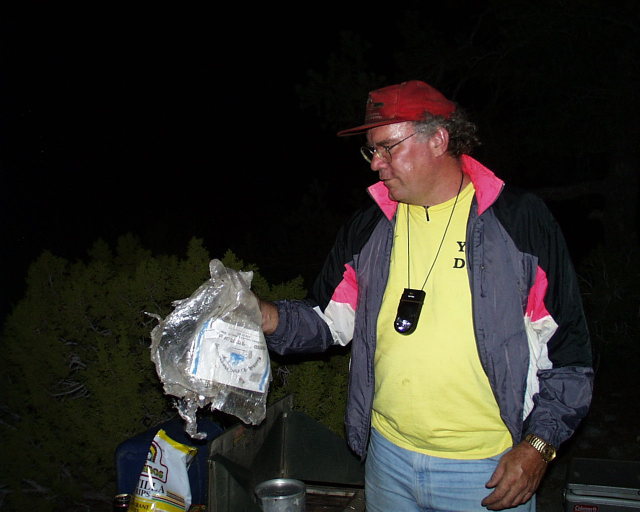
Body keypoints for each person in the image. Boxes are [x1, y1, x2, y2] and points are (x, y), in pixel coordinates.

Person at [259, 80, 592, 511]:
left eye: (387, 147)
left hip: (487, 469)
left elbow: (568, 353)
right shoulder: (370, 227)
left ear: (438, 139)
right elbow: (327, 321)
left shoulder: (517, 222)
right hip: (387, 459)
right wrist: (260, 314)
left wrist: (538, 446)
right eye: (370, 150)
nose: (375, 164)